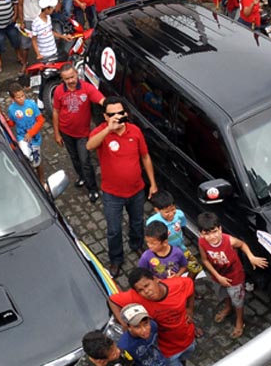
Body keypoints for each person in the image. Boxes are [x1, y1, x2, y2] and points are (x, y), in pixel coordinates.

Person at [87, 97, 159, 278]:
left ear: (125, 114)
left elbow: (145, 157)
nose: (117, 117)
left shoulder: (134, 131)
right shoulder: (101, 132)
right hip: (112, 194)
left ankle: (137, 244)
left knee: (137, 222)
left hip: (136, 190)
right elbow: (89, 145)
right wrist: (108, 130)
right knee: (113, 229)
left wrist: (153, 183)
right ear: (105, 116)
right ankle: (116, 259)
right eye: (112, 114)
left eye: (120, 113)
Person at [197, 211, 268, 339]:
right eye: (206, 233)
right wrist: (218, 277)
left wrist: (251, 256)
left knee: (238, 300)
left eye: (214, 231)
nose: (212, 236)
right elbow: (205, 260)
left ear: (220, 229)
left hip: (234, 277)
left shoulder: (229, 241)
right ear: (201, 233)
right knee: (224, 294)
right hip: (218, 276)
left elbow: (242, 244)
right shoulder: (202, 242)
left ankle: (239, 321)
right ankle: (227, 308)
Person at [108, 269, 196, 366]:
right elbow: (112, 301)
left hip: (189, 338)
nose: (146, 291)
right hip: (167, 349)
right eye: (140, 290)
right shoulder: (135, 297)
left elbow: (190, 287)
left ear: (156, 279)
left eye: (147, 285)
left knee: (185, 358)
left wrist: (190, 309)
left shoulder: (178, 285)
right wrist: (123, 323)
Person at [52, 62, 105, 202]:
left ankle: (92, 188)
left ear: (77, 74)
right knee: (74, 158)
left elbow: (101, 100)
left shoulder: (87, 88)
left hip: (82, 134)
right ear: (62, 79)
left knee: (85, 161)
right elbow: (56, 111)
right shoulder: (58, 91)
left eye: (72, 77)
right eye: (67, 79)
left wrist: (113, 108)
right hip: (66, 132)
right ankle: (82, 177)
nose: (70, 80)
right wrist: (57, 133)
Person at [7, 82, 46, 183]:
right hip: (22, 137)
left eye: (22, 96)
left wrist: (31, 133)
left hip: (35, 138)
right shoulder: (11, 109)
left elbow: (40, 120)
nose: (21, 99)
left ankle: (41, 180)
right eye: (18, 97)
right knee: (25, 157)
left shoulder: (31, 104)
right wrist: (7, 121)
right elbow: (12, 123)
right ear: (13, 99)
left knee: (37, 161)